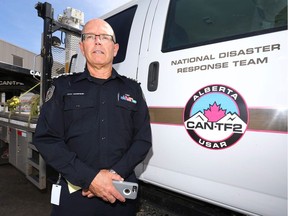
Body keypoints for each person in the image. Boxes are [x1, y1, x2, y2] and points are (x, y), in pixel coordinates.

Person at [34, 18, 152, 216]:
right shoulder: (63, 87)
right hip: (74, 197)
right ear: (82, 47)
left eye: (104, 37)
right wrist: (90, 178)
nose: (97, 41)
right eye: (90, 37)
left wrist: (113, 175)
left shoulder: (133, 89)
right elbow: (47, 138)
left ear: (115, 49)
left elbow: (142, 140)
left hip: (120, 194)